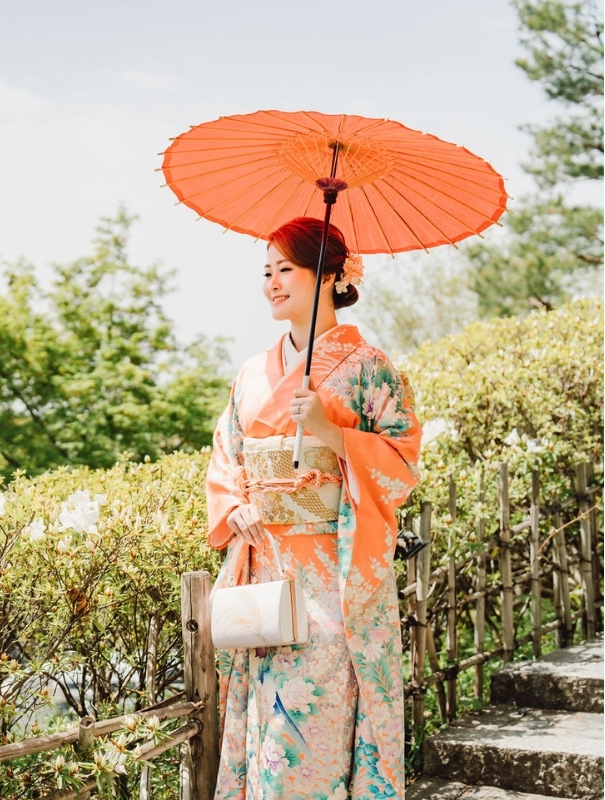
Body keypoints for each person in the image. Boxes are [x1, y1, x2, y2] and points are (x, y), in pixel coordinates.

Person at [206, 217, 421, 799]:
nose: (272, 283)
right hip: (267, 567)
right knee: (266, 721)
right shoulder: (252, 372)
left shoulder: (368, 367)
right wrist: (235, 508)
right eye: (266, 272)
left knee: (317, 711)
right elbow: (226, 455)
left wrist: (331, 431)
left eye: (286, 270)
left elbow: (402, 463)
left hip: (333, 573)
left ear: (329, 276)